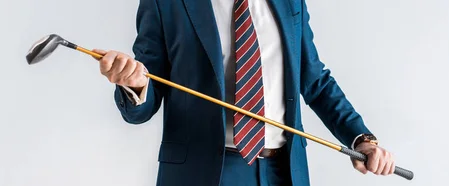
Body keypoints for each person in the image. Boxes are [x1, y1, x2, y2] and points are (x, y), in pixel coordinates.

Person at [92, 0, 395, 185]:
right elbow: (148, 90)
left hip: (284, 171)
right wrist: (134, 84)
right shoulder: (166, 2)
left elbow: (314, 80)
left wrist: (362, 140)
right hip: (207, 172)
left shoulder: (290, 1)